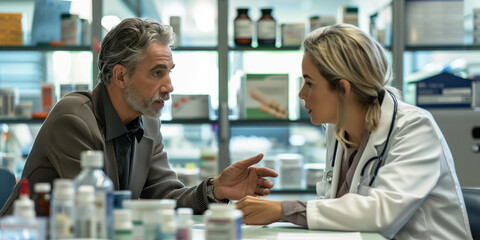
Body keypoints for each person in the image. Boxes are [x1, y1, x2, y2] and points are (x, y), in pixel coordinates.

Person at [0, 17, 278, 215]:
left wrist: (216, 189)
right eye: (157, 72)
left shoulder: (148, 121)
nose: (170, 86)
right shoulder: (73, 118)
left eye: (170, 71)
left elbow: (164, 194)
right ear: (121, 75)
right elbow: (98, 210)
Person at [235, 24, 472, 239]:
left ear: (343, 88)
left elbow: (382, 213)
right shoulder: (338, 129)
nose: (301, 94)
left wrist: (282, 210)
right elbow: (340, 212)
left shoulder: (415, 128)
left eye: (309, 83)